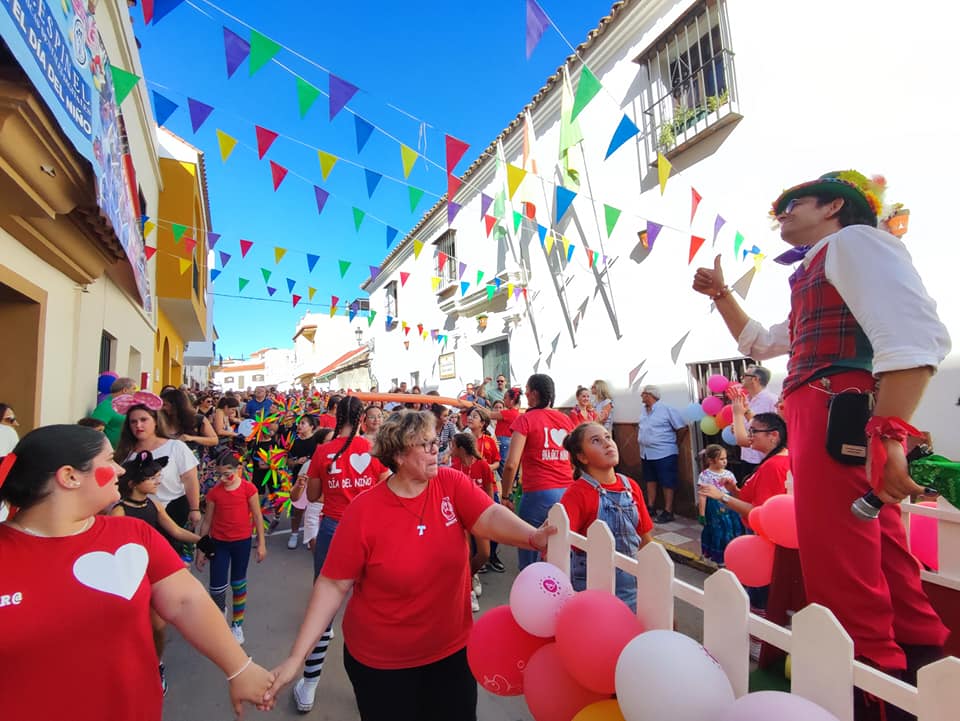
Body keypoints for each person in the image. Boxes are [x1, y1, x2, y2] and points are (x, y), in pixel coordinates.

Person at [693, 169, 950, 692]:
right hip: (830, 409)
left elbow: (914, 336)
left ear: (835, 207)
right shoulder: (821, 265)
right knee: (873, 543)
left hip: (840, 410)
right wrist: (722, 295)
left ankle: (872, 682)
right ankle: (918, 662)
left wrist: (889, 433)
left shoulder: (855, 241)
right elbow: (761, 342)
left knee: (840, 555)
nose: (782, 213)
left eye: (794, 203)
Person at [264, 410, 558, 721]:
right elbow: (332, 584)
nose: (437, 450)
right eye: (426, 444)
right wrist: (297, 657)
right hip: (381, 664)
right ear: (399, 454)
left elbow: (489, 516)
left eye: (436, 442)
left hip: (451, 653)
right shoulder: (364, 511)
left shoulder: (450, 483)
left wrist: (533, 537)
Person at [0, 425, 274, 720]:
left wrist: (239, 668)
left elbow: (186, 601)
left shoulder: (133, 534)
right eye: (108, 460)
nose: (119, 470)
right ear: (70, 477)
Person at [292, 396, 390, 713]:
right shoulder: (373, 450)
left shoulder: (323, 451)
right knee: (374, 609)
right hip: (370, 531)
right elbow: (386, 488)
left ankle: (308, 686)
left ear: (336, 417)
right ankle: (377, 687)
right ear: (362, 417)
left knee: (323, 609)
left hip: (334, 529)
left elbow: (314, 495)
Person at [111, 450, 203, 693]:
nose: (158, 481)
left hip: (152, 571)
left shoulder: (153, 503)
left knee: (158, 626)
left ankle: (156, 663)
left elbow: (175, 530)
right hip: (131, 576)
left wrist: (202, 541)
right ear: (133, 483)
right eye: (152, 478)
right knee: (131, 626)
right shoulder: (119, 512)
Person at [560, 422, 654, 612]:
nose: (607, 443)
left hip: (632, 591)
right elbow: (561, 546)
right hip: (592, 595)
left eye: (608, 437)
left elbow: (645, 540)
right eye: (596, 440)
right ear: (582, 457)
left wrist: (656, 596)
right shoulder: (577, 493)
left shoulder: (631, 487)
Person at [501, 373, 576, 570]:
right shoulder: (566, 420)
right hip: (567, 491)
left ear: (534, 394)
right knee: (563, 549)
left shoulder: (525, 420)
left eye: (526, 391)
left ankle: (532, 593)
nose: (524, 394)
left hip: (537, 493)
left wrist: (506, 495)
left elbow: (511, 464)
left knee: (530, 547)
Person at [114, 392, 201, 558]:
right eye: (133, 421)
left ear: (155, 421)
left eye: (143, 420)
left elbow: (190, 480)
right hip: (138, 514)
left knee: (170, 558)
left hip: (173, 510)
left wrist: (195, 508)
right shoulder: (125, 453)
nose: (138, 425)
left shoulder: (175, 447)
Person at [196, 452, 267, 645]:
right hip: (220, 544)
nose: (223, 479)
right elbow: (207, 522)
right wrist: (200, 549)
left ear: (239, 470)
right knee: (216, 587)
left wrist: (261, 543)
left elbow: (257, 517)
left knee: (238, 584)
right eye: (219, 475)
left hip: (241, 543)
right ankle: (220, 614)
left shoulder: (248, 489)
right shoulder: (214, 493)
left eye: (228, 474)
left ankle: (237, 624)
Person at [636, 384, 688, 524]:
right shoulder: (643, 410)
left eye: (643, 394)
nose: (641, 396)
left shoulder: (666, 409)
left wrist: (674, 443)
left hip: (664, 452)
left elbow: (682, 427)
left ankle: (668, 510)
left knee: (667, 481)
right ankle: (651, 506)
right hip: (646, 452)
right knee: (650, 479)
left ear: (650, 395)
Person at [696, 444, 745, 565]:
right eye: (721, 459)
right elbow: (702, 495)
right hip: (714, 508)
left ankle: (734, 553)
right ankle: (721, 558)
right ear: (711, 461)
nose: (725, 461)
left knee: (731, 528)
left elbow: (735, 490)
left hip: (729, 504)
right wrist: (702, 514)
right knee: (719, 530)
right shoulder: (705, 476)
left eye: (725, 458)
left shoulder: (729, 474)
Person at [732, 366, 779, 480]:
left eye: (744, 376)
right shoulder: (745, 399)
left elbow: (776, 427)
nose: (741, 378)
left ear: (755, 379)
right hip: (747, 455)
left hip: (764, 457)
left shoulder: (771, 400)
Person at [286, 414, 321, 549]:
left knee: (312, 509)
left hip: (314, 480)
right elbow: (288, 461)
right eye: (299, 423)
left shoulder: (317, 442)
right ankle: (294, 534)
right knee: (297, 509)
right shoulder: (294, 441)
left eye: (303, 423)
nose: (299, 425)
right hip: (299, 479)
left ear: (312, 427)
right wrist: (296, 462)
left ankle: (310, 536)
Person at [90, 376, 137, 446]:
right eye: (133, 389)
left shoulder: (129, 406)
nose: (135, 392)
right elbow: (93, 429)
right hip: (112, 452)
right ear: (125, 390)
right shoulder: (106, 406)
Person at [487, 387, 522, 477]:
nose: (503, 399)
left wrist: (476, 406)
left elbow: (490, 414)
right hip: (505, 441)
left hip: (503, 442)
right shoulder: (515, 413)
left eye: (505, 398)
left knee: (503, 471)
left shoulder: (509, 413)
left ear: (512, 400)